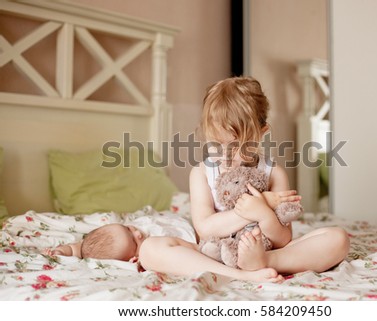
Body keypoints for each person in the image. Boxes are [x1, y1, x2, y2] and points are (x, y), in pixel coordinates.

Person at [189, 76, 350, 274]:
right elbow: (204, 229)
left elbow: (283, 239)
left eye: (237, 145)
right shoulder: (201, 173)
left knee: (338, 239)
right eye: (215, 143)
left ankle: (264, 261)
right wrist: (260, 203)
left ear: (262, 133)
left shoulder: (273, 173)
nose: (225, 154)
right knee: (164, 248)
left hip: (266, 250)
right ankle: (254, 263)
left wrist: (263, 214)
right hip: (218, 252)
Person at [41, 223, 284, 283]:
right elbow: (84, 250)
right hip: (212, 257)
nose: (136, 231)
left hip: (216, 243)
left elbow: (83, 244)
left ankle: (250, 264)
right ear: (132, 259)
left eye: (128, 227)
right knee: (150, 249)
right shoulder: (146, 250)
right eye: (132, 238)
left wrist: (68, 248)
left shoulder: (147, 225)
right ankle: (242, 276)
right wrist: (64, 251)